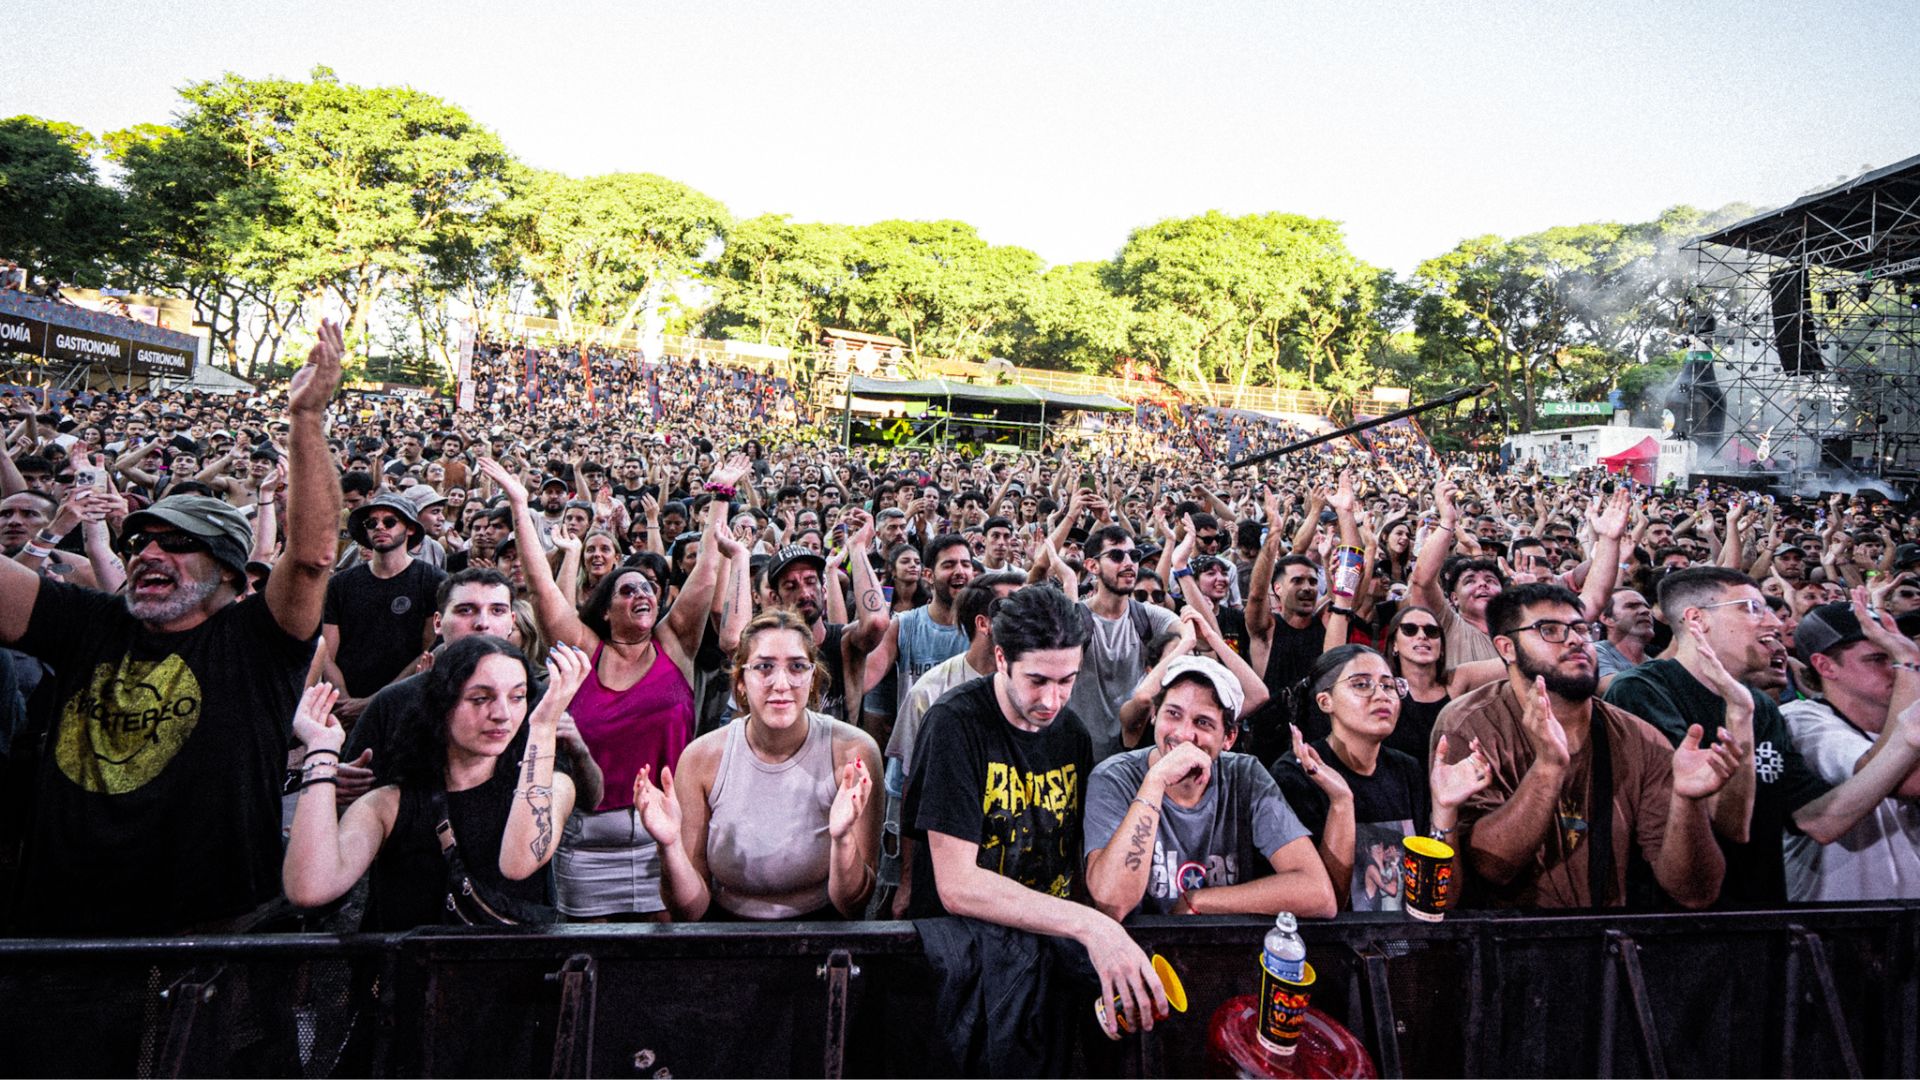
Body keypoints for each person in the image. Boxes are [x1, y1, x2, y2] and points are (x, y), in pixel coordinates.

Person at [0, 320, 343, 935]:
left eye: (180, 543)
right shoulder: (89, 624)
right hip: (59, 936)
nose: (149, 554)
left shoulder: (257, 644)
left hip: (206, 943)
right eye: (141, 540)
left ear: (235, 578)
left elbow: (314, 554)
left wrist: (306, 419)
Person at [481, 453, 744, 920]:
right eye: (626, 590)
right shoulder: (585, 652)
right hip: (588, 845)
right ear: (605, 609)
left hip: (666, 834)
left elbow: (705, 573)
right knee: (591, 964)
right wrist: (520, 507)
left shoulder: (674, 645)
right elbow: (543, 591)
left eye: (648, 588)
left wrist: (720, 496)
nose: (642, 593)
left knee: (666, 957)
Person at [901, 583, 1170, 1038]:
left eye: (1067, 681)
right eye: (1037, 681)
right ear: (1002, 658)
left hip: (1045, 954)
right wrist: (1092, 928)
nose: (1052, 701)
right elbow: (958, 885)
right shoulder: (954, 723)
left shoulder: (1072, 734)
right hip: (967, 963)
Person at [1605, 568, 1920, 905]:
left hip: (1765, 916)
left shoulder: (1758, 704)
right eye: (1751, 608)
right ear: (1697, 619)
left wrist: (1907, 738)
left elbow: (1819, 820)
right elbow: (1728, 825)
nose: (1773, 624)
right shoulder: (1642, 691)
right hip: (1677, 928)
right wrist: (1739, 718)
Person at [1431, 583, 1738, 910]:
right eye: (1549, 630)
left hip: (1603, 944)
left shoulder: (1641, 738)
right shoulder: (1468, 724)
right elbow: (1493, 868)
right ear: (1507, 648)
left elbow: (1695, 892)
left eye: (1580, 628)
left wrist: (1688, 802)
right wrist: (1548, 768)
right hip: (1504, 944)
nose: (1576, 639)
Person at [282, 637, 587, 927]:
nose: (502, 714)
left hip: (513, 977)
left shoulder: (553, 785)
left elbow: (519, 863)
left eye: (518, 697)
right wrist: (321, 750)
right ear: (441, 703)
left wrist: (543, 726)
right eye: (480, 698)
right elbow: (310, 888)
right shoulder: (389, 803)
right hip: (411, 978)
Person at [632, 610, 883, 920]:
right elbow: (691, 910)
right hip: (728, 935)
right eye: (764, 667)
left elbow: (853, 904)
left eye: (797, 667)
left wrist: (843, 838)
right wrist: (669, 847)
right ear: (740, 682)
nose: (781, 683)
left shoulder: (853, 753)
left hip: (825, 931)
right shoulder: (701, 759)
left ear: (813, 677)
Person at [1084, 655, 1335, 918]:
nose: (1183, 734)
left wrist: (1198, 900)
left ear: (1229, 737)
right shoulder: (1114, 777)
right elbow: (1113, 903)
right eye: (1173, 714)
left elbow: (1319, 894)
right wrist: (1154, 782)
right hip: (1138, 950)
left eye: (1202, 722)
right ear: (1155, 715)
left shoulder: (1245, 775)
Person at [339, 567, 603, 809]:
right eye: (466, 610)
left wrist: (579, 752)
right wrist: (334, 785)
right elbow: (350, 801)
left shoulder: (540, 701)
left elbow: (589, 801)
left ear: (512, 621)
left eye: (497, 610)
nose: (482, 623)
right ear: (438, 622)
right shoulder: (395, 702)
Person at [1271, 645, 1492, 912]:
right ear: (1325, 701)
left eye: (1388, 686)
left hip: (1406, 942)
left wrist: (1445, 810)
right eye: (1362, 684)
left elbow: (1441, 900)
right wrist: (1341, 801)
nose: (1381, 695)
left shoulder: (1406, 768)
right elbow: (1327, 906)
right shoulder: (1296, 773)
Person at [1781, 600, 1920, 900]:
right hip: (1834, 928)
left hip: (1908, 926)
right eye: (1878, 658)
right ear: (1825, 665)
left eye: (1896, 656)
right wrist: (1908, 662)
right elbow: (1903, 780)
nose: (1896, 669)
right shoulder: (1801, 720)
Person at [322, 491, 447, 720]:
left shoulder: (433, 581)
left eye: (389, 521)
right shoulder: (340, 584)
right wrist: (345, 702)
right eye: (372, 523)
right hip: (342, 708)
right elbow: (325, 654)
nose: (379, 527)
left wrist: (375, 702)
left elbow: (428, 650)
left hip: (403, 705)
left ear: (410, 528)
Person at [764, 510, 888, 727]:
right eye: (791, 586)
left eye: (811, 581)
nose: (805, 593)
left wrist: (857, 548)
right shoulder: (765, 648)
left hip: (839, 758)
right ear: (774, 598)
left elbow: (876, 622)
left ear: (823, 589)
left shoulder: (844, 641)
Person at [1069, 523, 1178, 762]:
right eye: (1117, 556)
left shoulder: (1148, 616)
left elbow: (1191, 633)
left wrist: (1172, 649)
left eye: (1134, 555)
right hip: (1076, 756)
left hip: (1129, 758)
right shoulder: (1073, 616)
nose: (1129, 563)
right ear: (1092, 565)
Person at [1594, 587, 1655, 689]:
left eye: (1647, 606)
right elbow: (1617, 689)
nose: (1645, 611)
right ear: (1607, 619)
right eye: (1631, 606)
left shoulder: (1652, 660)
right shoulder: (1595, 652)